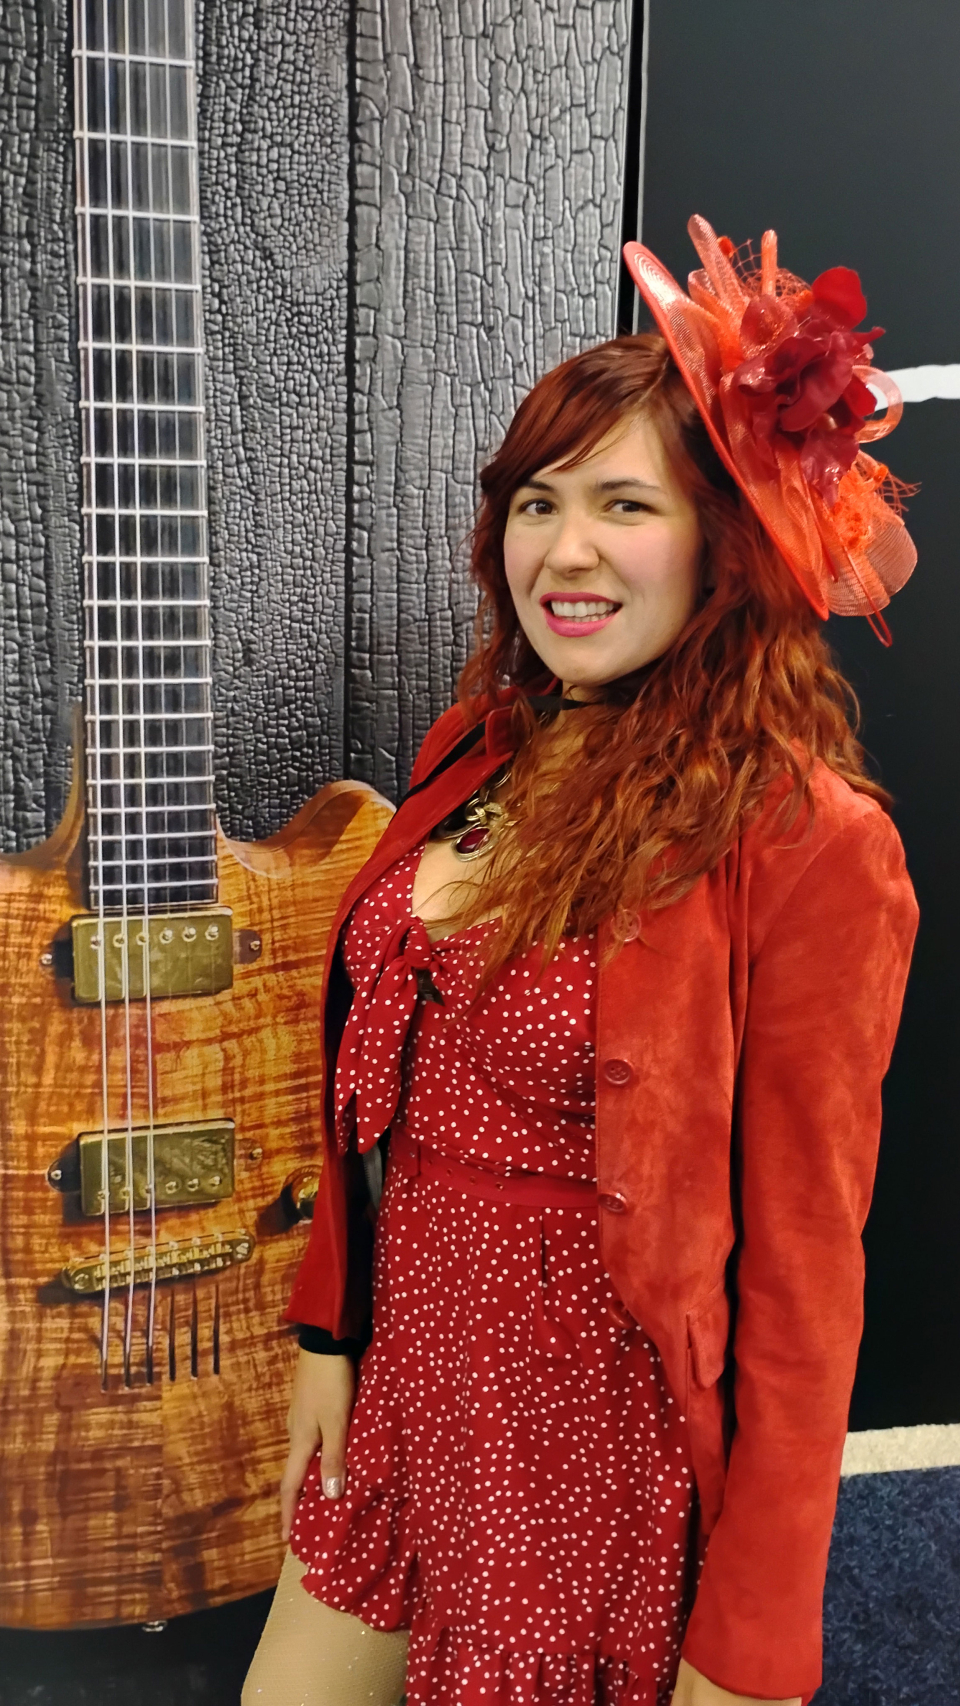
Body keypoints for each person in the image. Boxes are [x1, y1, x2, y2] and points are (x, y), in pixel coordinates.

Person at [242, 217, 919, 1706]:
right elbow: (383, 1098)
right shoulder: (475, 751)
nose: (564, 549)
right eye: (538, 501)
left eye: (625, 503)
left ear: (726, 542)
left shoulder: (807, 842)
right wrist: (327, 1335)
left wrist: (749, 1650)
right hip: (412, 1387)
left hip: (590, 1449)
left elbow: (810, 1284)